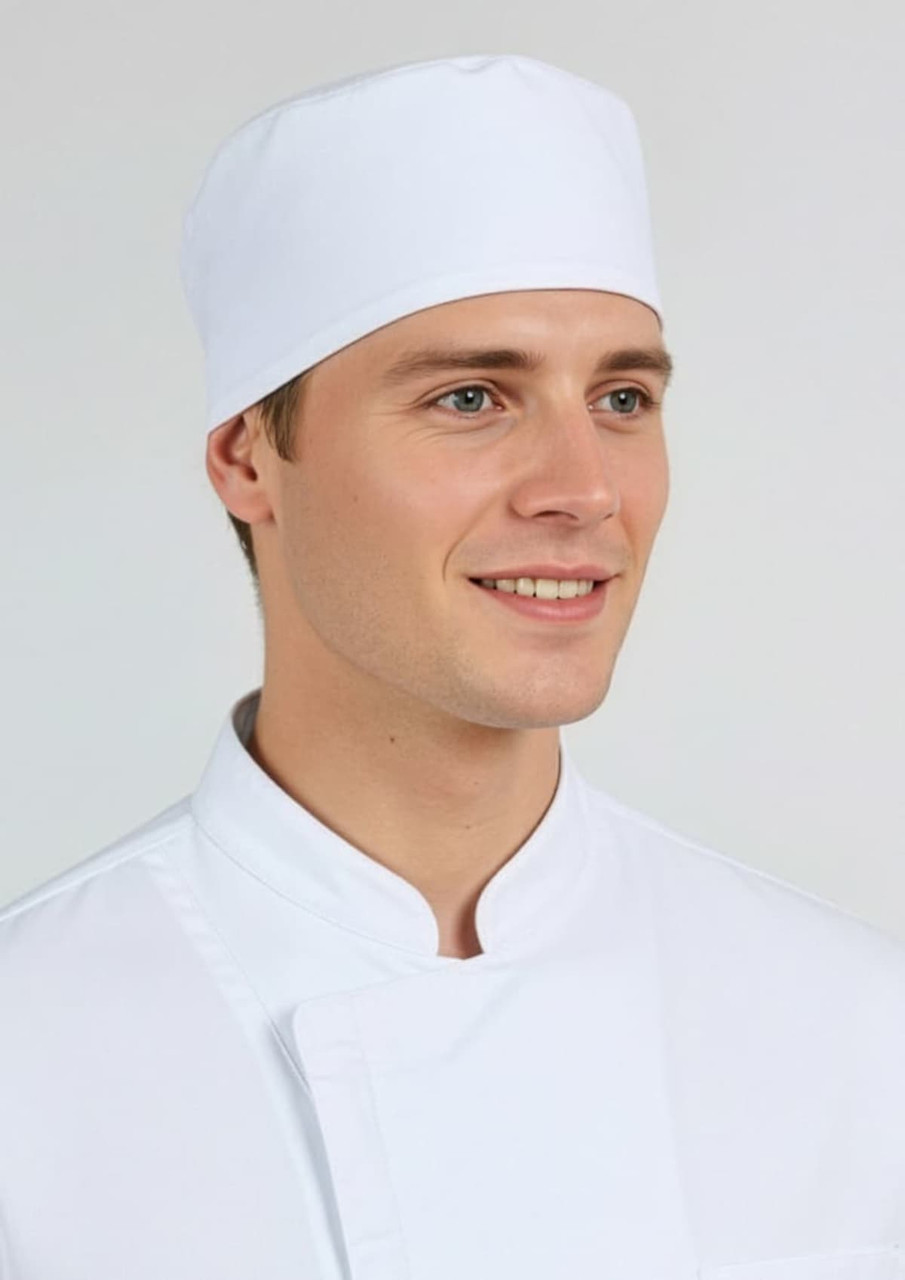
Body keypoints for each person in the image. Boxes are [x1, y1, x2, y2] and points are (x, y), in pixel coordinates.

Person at [1, 52, 903, 1280]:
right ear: (249, 459)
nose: (584, 488)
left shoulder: (856, 1031)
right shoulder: (29, 1059)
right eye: (472, 397)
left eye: (621, 397)